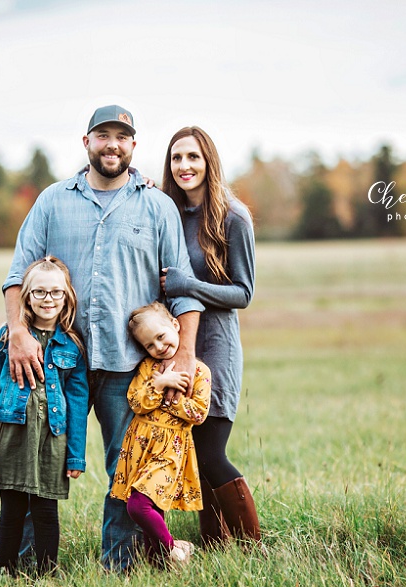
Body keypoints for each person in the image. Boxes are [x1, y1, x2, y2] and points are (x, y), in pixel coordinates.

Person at [2, 105, 204, 571]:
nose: (112, 144)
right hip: (54, 360)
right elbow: (18, 274)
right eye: (103, 135)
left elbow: (184, 291)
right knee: (38, 462)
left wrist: (186, 356)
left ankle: (121, 565)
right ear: (86, 142)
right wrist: (17, 331)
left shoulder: (157, 206)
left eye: (122, 136)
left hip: (127, 365)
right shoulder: (52, 200)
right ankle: (25, 563)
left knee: (125, 471)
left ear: (134, 145)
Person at [160, 126, 263, 548]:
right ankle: (216, 544)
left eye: (193, 157)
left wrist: (188, 285)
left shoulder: (232, 217)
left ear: (209, 162)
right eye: (176, 158)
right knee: (189, 452)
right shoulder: (166, 212)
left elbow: (244, 292)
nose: (184, 166)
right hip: (173, 344)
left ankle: (250, 542)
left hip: (216, 347)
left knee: (209, 452)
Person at [0, 256, 89, 577]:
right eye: (39, 292)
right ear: (26, 296)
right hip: (11, 435)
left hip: (52, 441)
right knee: (11, 510)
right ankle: (6, 572)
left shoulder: (72, 346)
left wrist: (76, 455)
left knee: (45, 510)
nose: (48, 299)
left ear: (66, 296)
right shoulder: (7, 339)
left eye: (55, 292)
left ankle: (46, 574)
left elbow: (78, 404)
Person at [109, 302, 211, 567]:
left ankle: (175, 548)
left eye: (161, 336)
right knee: (153, 508)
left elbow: (198, 414)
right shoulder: (148, 369)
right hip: (141, 447)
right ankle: (159, 565)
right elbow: (136, 401)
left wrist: (169, 401)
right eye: (149, 345)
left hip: (170, 450)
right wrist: (158, 384)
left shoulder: (198, 372)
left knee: (138, 506)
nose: (158, 347)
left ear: (175, 326)